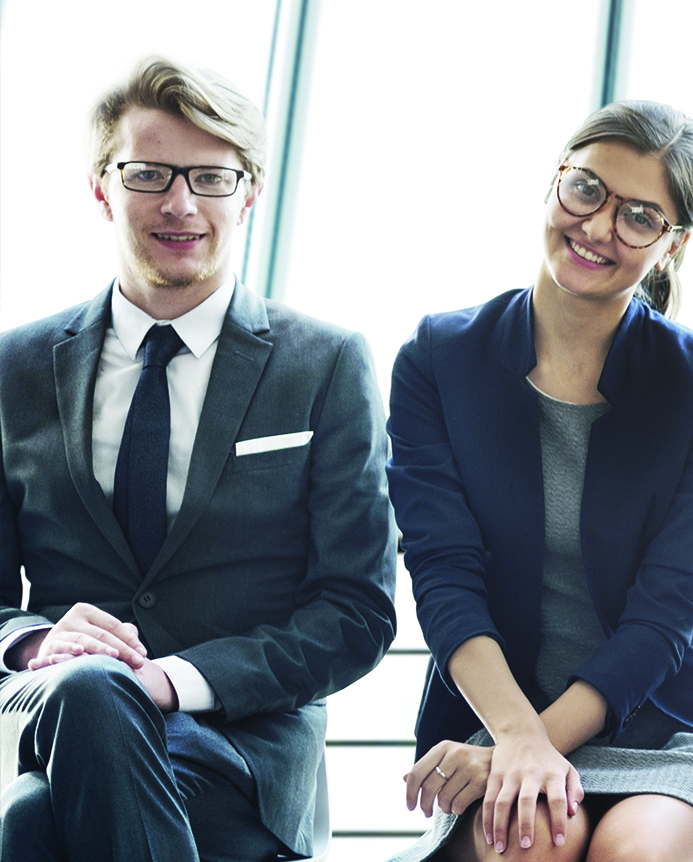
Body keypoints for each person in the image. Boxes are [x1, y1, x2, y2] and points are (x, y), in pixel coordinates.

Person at [0, 57, 397, 862]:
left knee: (31, 828)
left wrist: (174, 680)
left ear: (249, 192)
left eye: (211, 177)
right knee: (84, 697)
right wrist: (37, 646)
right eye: (148, 173)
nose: (180, 203)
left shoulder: (324, 364)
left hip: (241, 749)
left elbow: (356, 611)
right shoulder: (15, 368)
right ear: (101, 187)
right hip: (65, 716)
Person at [384, 101, 693, 862]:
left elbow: (664, 618)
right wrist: (513, 736)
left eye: (641, 217)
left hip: (684, 726)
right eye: (587, 190)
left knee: (635, 853)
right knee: (532, 840)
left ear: (672, 246)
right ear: (554, 184)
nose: (600, 227)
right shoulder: (438, 360)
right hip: (507, 711)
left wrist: (527, 745)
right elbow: (444, 580)